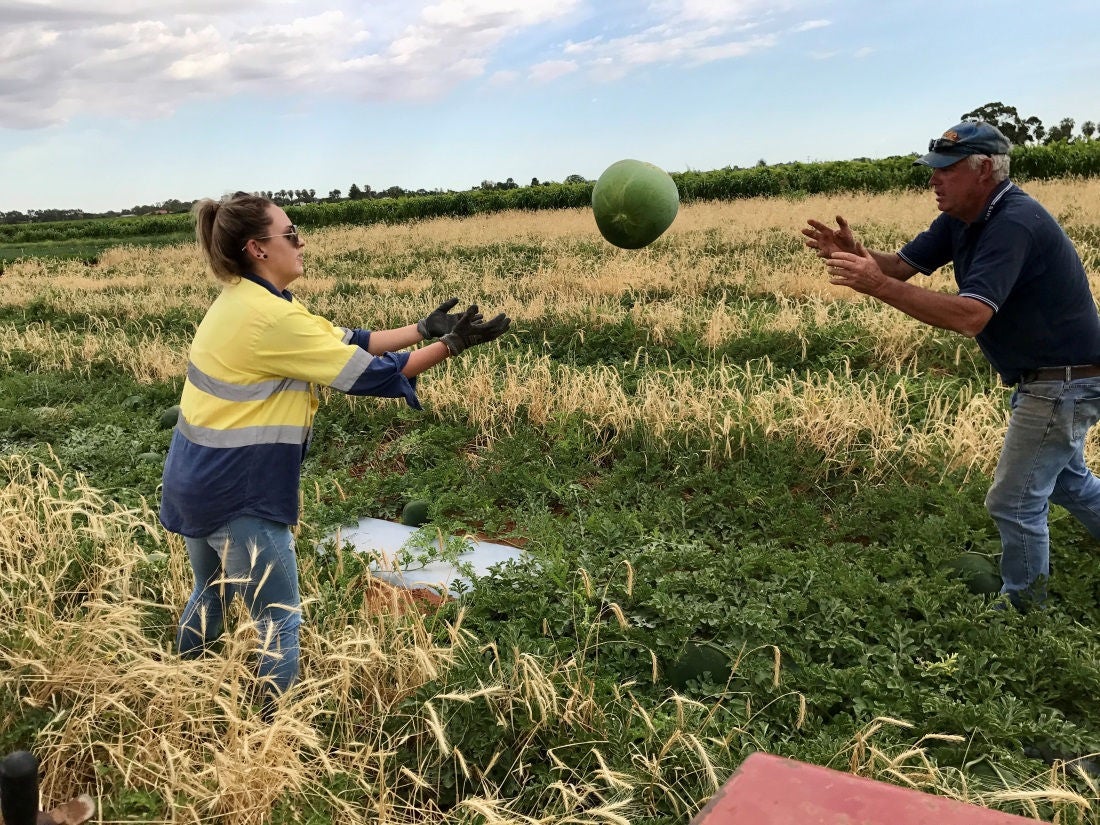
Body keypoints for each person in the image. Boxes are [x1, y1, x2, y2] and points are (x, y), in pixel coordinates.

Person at [160, 191, 510, 708]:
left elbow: (345, 339)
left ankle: (175, 691)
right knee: (278, 619)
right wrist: (451, 346)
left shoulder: (245, 300)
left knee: (208, 593)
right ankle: (266, 742)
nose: (301, 243)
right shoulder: (269, 319)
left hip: (192, 480)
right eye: (291, 234)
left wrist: (420, 329)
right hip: (240, 495)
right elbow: (369, 374)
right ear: (258, 248)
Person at [802, 121, 1100, 611]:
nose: (933, 180)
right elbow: (898, 267)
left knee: (1014, 500)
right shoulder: (963, 217)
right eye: (932, 170)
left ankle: (1025, 612)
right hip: (1056, 377)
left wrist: (874, 286)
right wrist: (856, 254)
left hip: (1062, 381)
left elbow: (970, 316)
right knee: (1068, 482)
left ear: (984, 171)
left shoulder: (1012, 222)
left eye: (946, 169)